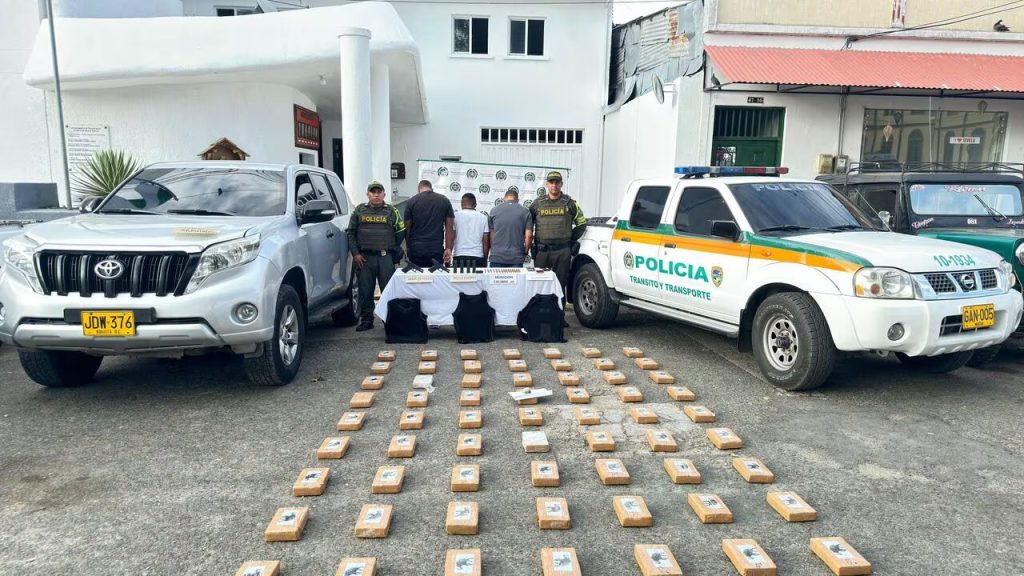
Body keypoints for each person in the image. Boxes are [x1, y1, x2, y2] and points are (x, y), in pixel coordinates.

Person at [347, 180, 406, 332]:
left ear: (384, 194)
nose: (376, 195)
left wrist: (391, 249)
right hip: (364, 258)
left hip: (385, 257)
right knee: (365, 290)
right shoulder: (359, 211)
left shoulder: (392, 211)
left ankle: (389, 320)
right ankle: (367, 319)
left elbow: (400, 232)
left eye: (379, 192)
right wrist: (355, 254)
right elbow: (351, 233)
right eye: (373, 192)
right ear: (368, 194)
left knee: (388, 290)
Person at [529, 171, 587, 294]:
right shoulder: (537, 203)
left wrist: (571, 240)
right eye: (551, 182)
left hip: (562, 252)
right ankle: (539, 311)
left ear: (561, 184)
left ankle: (559, 311)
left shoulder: (570, 203)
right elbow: (528, 224)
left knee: (560, 285)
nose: (554, 185)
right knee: (539, 285)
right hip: (541, 251)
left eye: (557, 182)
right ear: (546, 184)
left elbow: (581, 223)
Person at [404, 179, 454, 268]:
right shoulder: (444, 201)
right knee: (435, 279)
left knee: (417, 279)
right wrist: (448, 248)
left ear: (419, 189)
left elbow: (407, 228)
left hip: (416, 249)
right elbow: (449, 228)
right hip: (436, 248)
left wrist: (408, 247)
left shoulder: (411, 201)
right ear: (431, 188)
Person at [488, 188, 533, 268]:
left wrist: (494, 250)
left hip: (497, 256)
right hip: (516, 257)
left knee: (496, 280)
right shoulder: (525, 212)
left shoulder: (493, 211)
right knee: (515, 281)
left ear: (503, 199)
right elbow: (529, 236)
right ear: (518, 200)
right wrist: (525, 251)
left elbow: (492, 235)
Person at [452, 192, 490, 268]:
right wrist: (485, 259)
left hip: (459, 255)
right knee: (477, 280)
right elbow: (486, 242)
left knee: (458, 280)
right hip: (477, 256)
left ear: (461, 204)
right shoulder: (483, 217)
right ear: (475, 204)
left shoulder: (455, 216)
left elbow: (451, 237)